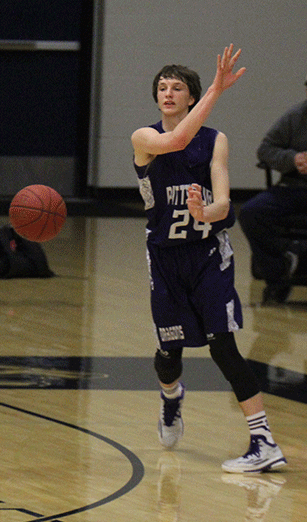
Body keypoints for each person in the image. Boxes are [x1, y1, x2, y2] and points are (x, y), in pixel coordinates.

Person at [131, 44, 286, 473]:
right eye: (162, 87)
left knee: (224, 347)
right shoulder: (145, 139)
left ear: (190, 97)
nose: (167, 93)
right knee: (169, 353)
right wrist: (218, 88)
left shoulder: (217, 141)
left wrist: (207, 212)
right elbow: (176, 140)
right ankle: (171, 398)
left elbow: (223, 202)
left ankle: (263, 441)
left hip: (207, 256)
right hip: (164, 258)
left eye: (177, 88)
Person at [238, 78, 307, 304]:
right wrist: (293, 159)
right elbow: (265, 149)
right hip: (294, 187)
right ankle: (280, 271)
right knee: (251, 212)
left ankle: (299, 254)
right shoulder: (296, 116)